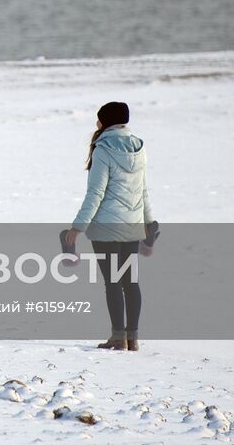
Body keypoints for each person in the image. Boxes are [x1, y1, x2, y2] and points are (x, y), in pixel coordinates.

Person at [63, 101, 157, 351]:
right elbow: (143, 190)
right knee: (131, 282)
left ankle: (117, 337)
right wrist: (148, 223)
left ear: (104, 121)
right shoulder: (139, 148)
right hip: (133, 226)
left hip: (106, 227)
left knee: (113, 282)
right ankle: (132, 338)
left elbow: (95, 193)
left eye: (98, 119)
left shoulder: (103, 149)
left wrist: (77, 227)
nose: (96, 123)